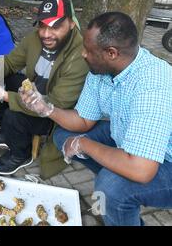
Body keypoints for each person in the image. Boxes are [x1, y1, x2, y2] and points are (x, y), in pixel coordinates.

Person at [21, 12, 172, 226]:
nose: (83, 54)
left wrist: (84, 144)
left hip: (167, 160)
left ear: (111, 53)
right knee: (64, 135)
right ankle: (119, 202)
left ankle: (117, 197)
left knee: (111, 188)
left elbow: (142, 169)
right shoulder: (101, 69)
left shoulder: (152, 84)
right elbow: (83, 120)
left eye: (88, 50)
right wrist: (46, 108)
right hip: (131, 145)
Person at [0, 0, 88, 175]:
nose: (46, 34)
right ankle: (8, 132)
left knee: (13, 115)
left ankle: (21, 154)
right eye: (42, 25)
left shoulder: (79, 54)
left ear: (72, 23)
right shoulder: (34, 38)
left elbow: (58, 103)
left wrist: (5, 96)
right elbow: (11, 62)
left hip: (52, 114)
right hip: (32, 92)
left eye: (55, 27)